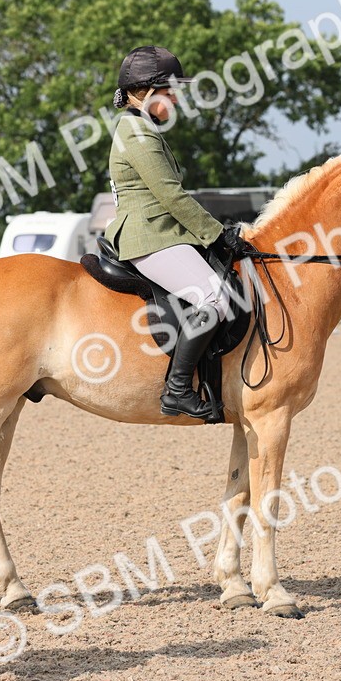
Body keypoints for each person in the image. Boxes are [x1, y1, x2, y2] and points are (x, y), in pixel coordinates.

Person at [104, 45, 243, 419]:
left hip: (162, 232)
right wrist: (216, 234)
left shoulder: (141, 128)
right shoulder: (135, 132)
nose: (177, 99)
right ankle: (177, 389)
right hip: (149, 235)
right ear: (146, 92)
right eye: (170, 92)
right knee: (213, 298)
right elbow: (170, 195)